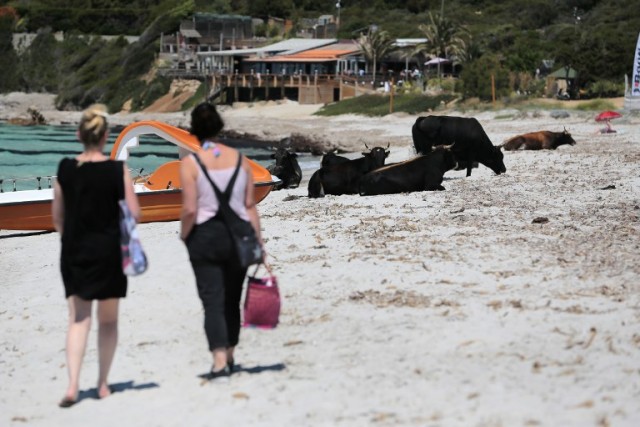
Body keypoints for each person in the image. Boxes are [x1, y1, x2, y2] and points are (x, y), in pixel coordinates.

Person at [52, 104, 140, 408]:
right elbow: (135, 213)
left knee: (78, 320)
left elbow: (58, 220)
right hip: (109, 252)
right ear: (105, 137)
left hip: (75, 252)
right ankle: (102, 384)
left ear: (79, 135)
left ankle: (73, 385)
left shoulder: (64, 169)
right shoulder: (117, 170)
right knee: (108, 322)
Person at [180, 102, 264, 382]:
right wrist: (258, 241)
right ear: (219, 127)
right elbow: (249, 204)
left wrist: (184, 233)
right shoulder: (240, 160)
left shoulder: (190, 163)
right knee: (232, 298)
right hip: (237, 235)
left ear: (194, 130)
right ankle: (230, 354)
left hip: (205, 236)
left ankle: (218, 362)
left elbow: (190, 209)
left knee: (212, 300)